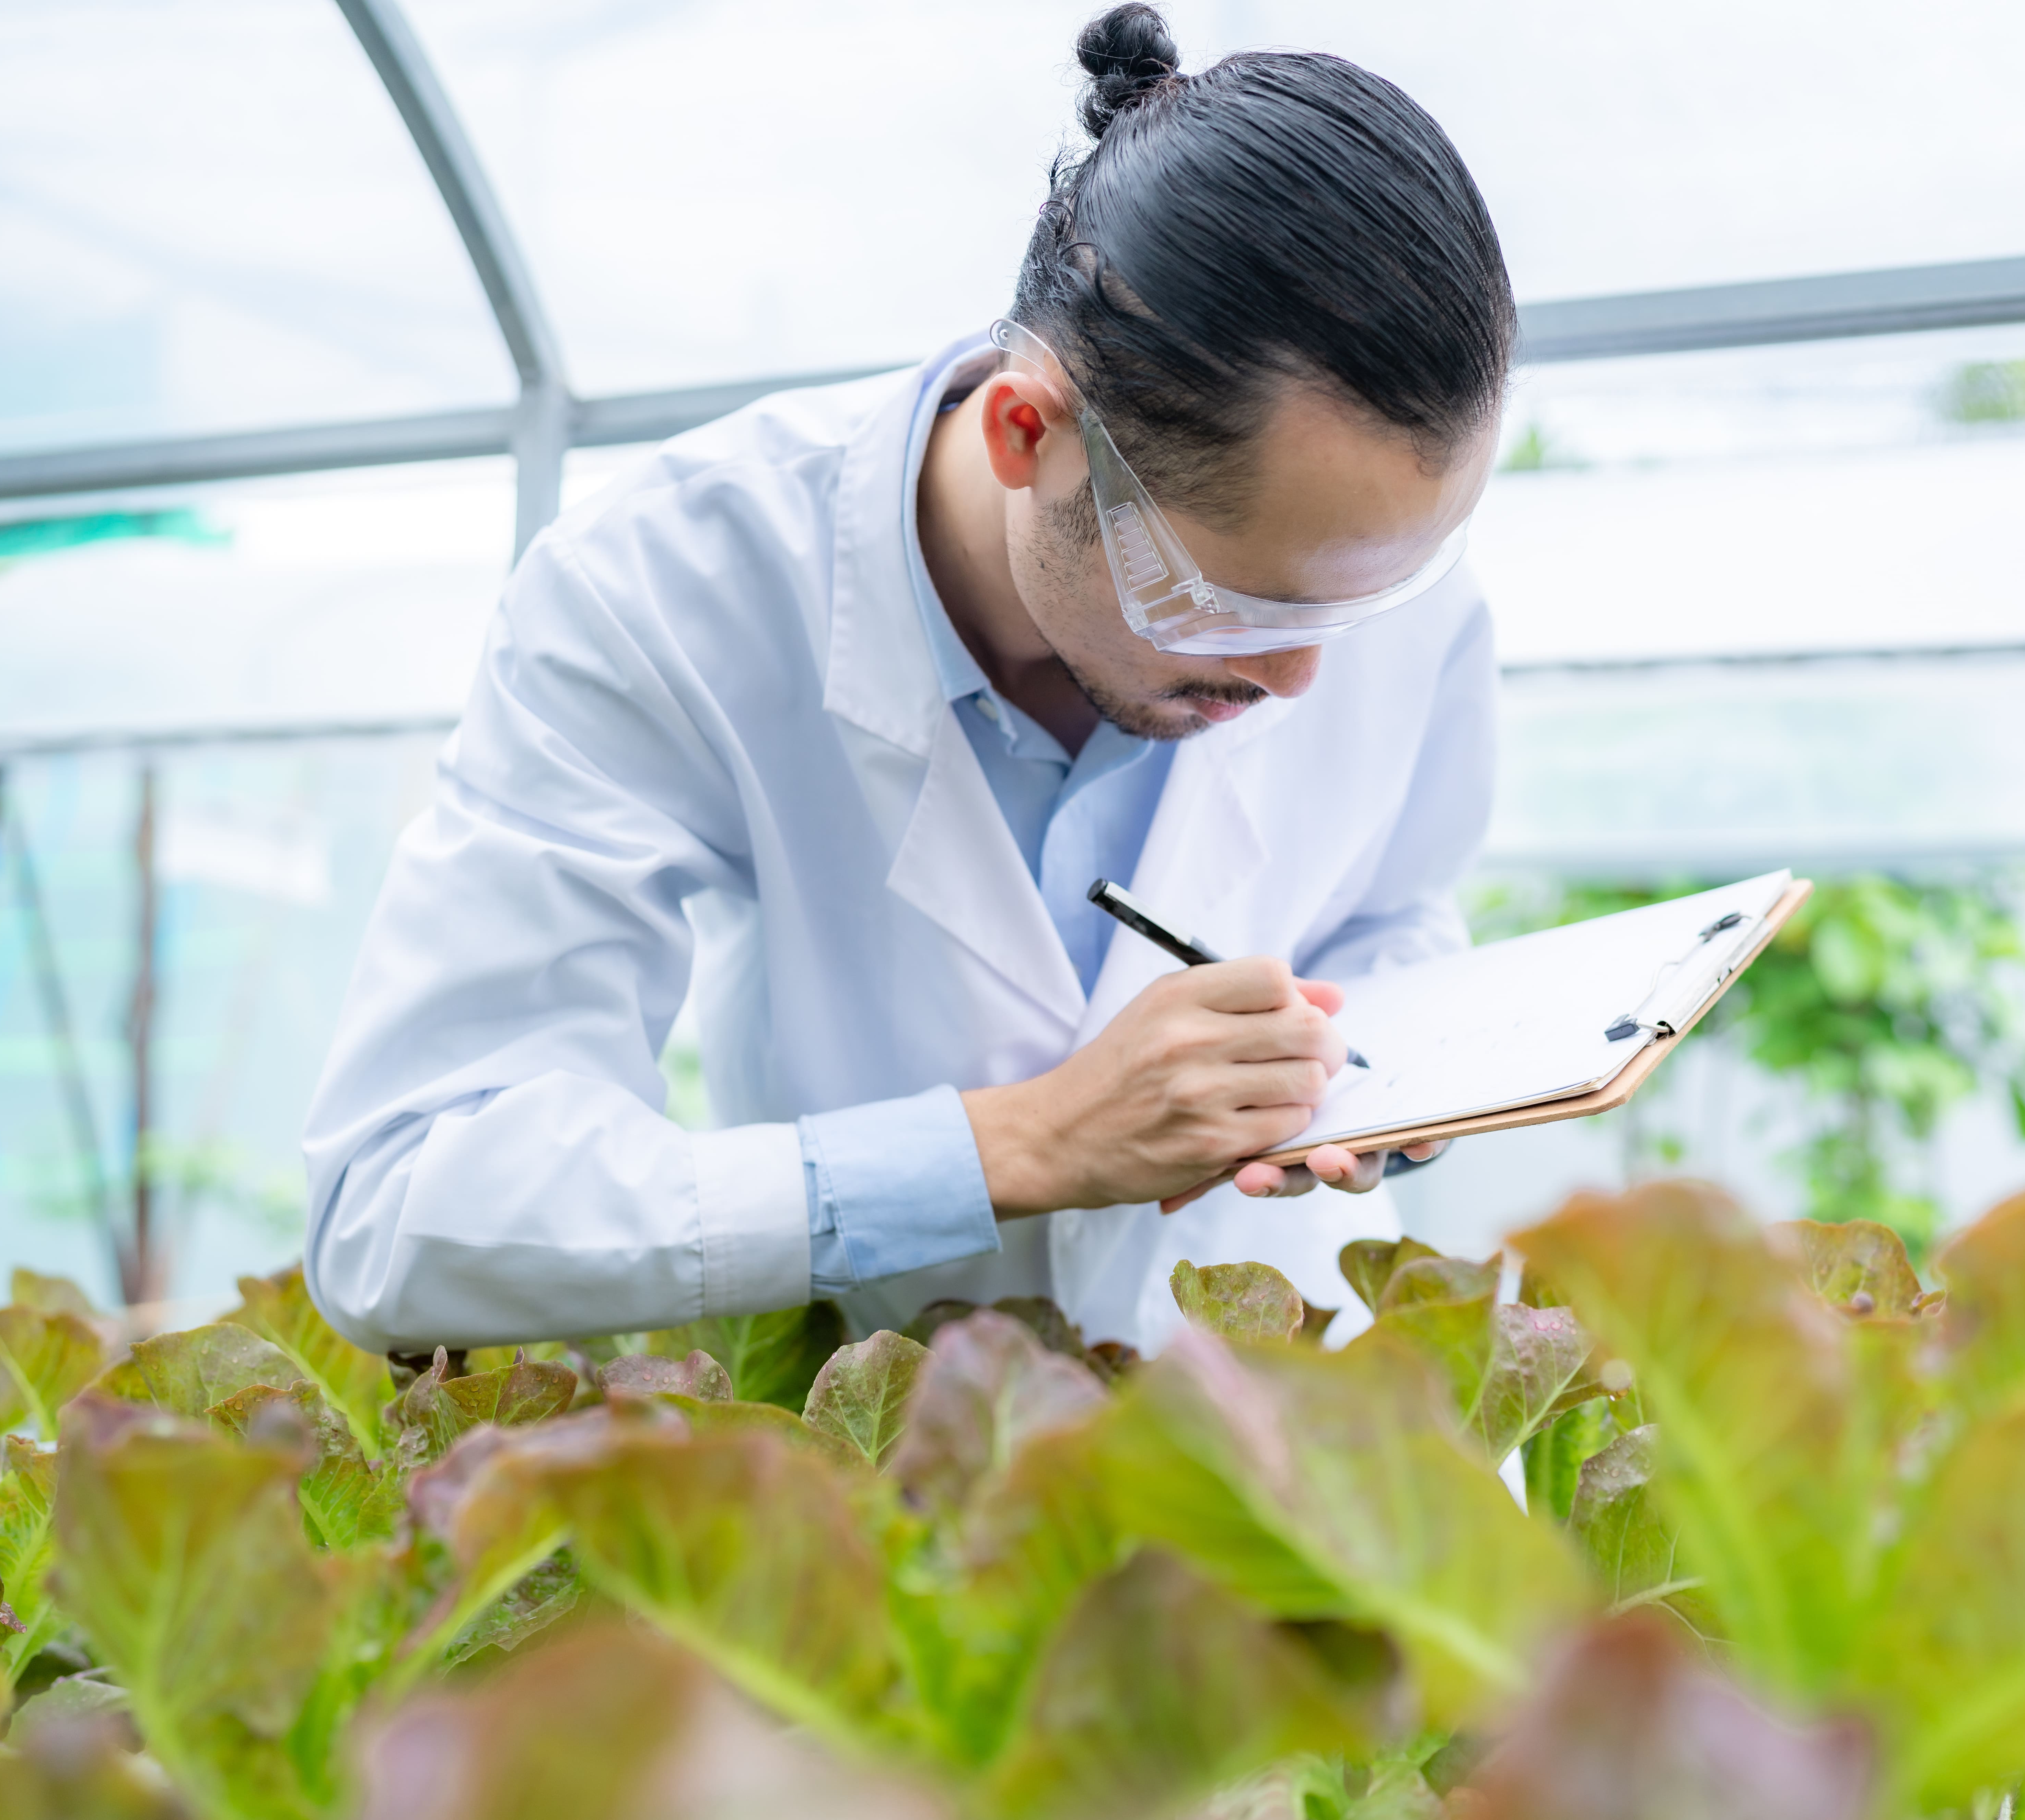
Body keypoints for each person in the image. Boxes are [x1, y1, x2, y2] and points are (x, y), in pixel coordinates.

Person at [302, 4, 1511, 1355]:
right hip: (894, 1452)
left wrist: (1377, 1082)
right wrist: (1020, 1146)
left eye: (1361, 606)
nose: (1295, 676)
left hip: (1288, 1417)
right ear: (1026, 433)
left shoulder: (1348, 566)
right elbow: (406, 1200)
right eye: (1228, 603)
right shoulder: (664, 589)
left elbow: (1390, 909)